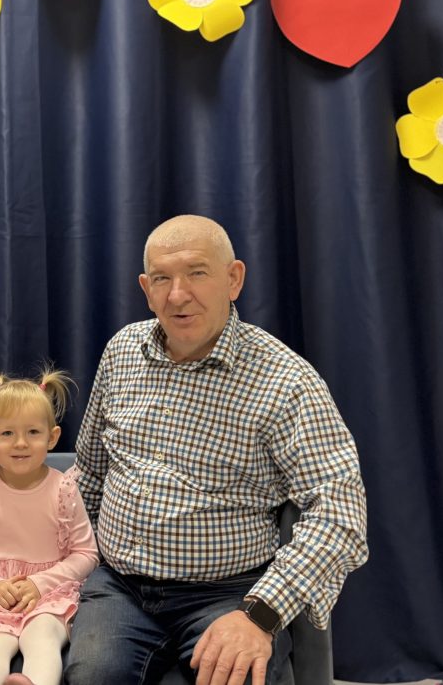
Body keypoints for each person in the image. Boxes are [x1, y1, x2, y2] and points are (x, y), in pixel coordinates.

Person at [66, 215, 369, 685]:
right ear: (146, 289)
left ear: (234, 279)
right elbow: (89, 472)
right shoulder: (121, 352)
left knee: (236, 677)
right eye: (162, 279)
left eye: (197, 273)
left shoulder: (286, 381)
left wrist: (261, 614)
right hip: (119, 587)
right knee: (91, 676)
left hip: (229, 592)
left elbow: (340, 513)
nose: (177, 295)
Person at [0, 368, 99, 685]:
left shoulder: (63, 489)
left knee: (42, 636)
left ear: (52, 437)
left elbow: (86, 554)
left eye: (33, 432)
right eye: (7, 434)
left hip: (51, 593)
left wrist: (41, 583)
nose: (21, 443)